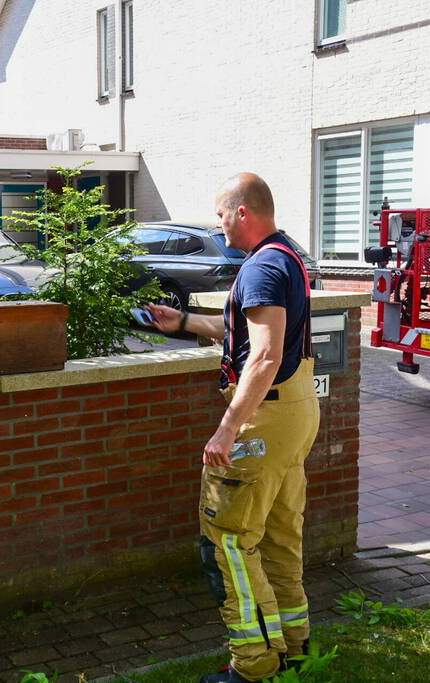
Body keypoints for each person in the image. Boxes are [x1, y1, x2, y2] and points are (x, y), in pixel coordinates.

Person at [145, 173, 319, 683]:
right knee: (280, 538)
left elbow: (263, 357)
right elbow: (252, 331)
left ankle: (255, 666)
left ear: (243, 211)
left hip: (265, 418)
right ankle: (295, 648)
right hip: (296, 412)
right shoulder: (286, 256)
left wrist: (227, 430)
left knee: (227, 541)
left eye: (221, 215)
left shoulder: (263, 266)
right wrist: (183, 325)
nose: (218, 225)